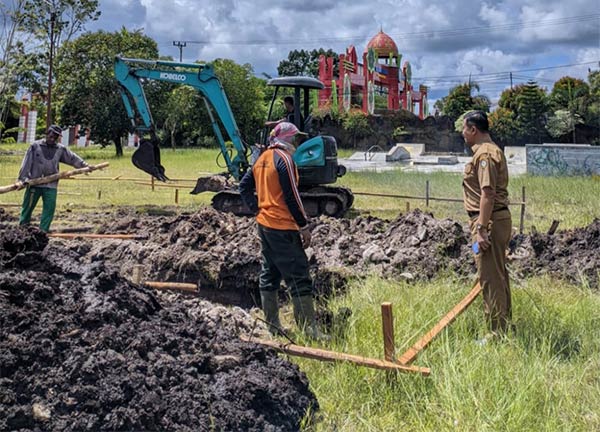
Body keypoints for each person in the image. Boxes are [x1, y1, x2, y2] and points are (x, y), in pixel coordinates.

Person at [239, 122, 326, 340]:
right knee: (298, 274)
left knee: (271, 272)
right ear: (287, 139)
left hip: (265, 225)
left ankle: (273, 326)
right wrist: (303, 224)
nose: (297, 143)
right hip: (282, 226)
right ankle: (309, 330)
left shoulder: (262, 159)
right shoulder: (284, 159)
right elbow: (292, 195)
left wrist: (257, 208)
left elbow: (244, 186)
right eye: (295, 138)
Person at [461, 111, 513, 336]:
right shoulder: (490, 151)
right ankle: (505, 324)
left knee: (490, 278)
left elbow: (488, 194)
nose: (462, 134)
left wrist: (481, 229)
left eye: (464, 129)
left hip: (488, 222)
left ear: (473, 129)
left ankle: (496, 333)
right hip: (491, 220)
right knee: (495, 273)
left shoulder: (484, 156)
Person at [18, 125, 89, 232]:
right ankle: (22, 229)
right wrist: (22, 179)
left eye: (56, 136)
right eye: (52, 135)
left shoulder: (60, 149)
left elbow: (72, 158)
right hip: (34, 184)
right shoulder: (35, 146)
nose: (53, 137)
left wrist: (85, 166)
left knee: (49, 209)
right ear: (47, 133)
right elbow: (26, 163)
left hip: (50, 186)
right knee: (27, 207)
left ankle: (43, 231)